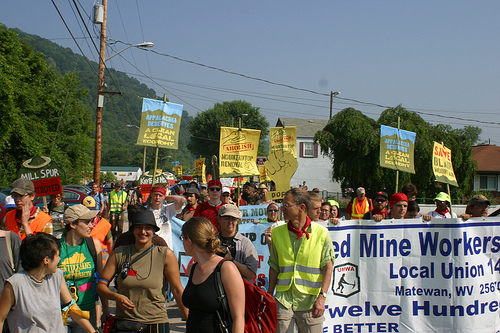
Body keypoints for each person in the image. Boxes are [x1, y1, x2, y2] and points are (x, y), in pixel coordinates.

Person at [97, 210, 188, 331]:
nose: (143, 232)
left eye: (148, 228)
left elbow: (177, 290)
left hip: (156, 322)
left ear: (154, 231)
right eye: (139, 227)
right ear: (133, 230)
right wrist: (116, 297)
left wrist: (189, 320)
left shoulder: (165, 255)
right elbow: (101, 286)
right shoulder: (119, 254)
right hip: (126, 323)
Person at [0, 233, 97, 332]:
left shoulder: (57, 276)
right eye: (57, 256)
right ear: (46, 260)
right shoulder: (14, 284)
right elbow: (1, 318)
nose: (59, 259)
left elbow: (72, 307)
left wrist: (93, 331)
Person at [268, 188, 334, 333]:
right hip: (283, 301)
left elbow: (328, 268)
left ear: (301, 208)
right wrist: (269, 296)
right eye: (282, 205)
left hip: (310, 303)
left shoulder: (321, 233)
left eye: (287, 205)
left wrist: (322, 297)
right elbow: (274, 266)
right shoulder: (277, 232)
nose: (282, 209)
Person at [181, 217, 245, 333]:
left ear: (189, 242)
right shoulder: (192, 269)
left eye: (183, 238)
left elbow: (238, 317)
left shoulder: (226, 268)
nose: (182, 242)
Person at [59, 205, 108, 332]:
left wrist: (106, 310)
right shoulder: (56, 247)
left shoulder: (93, 244)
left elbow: (102, 281)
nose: (91, 226)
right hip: (61, 312)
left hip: (86, 311)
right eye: (87, 222)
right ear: (73, 224)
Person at [216, 205, 258, 281]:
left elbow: (251, 274)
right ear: (219, 219)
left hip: (240, 290)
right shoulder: (212, 242)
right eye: (227, 218)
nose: (230, 222)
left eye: (233, 219)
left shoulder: (245, 243)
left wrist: (231, 261)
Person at [148, 183, 185, 250]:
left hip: (166, 247)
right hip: (150, 247)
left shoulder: (168, 209)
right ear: (151, 194)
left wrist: (166, 197)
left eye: (160, 195)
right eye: (155, 195)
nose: (157, 198)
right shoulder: (145, 209)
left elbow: (181, 200)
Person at [82, 196, 114, 262]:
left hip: (100, 262)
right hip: (84, 262)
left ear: (96, 207)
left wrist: (112, 261)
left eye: (91, 210)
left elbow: (110, 242)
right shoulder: (78, 224)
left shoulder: (104, 223)